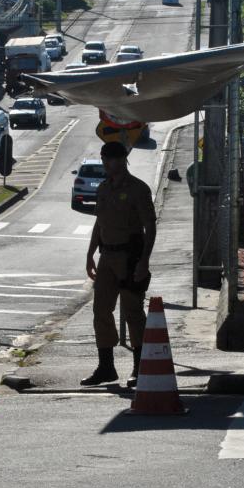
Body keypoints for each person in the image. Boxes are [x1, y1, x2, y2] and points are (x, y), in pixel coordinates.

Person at [82, 141, 157, 387]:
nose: (106, 163)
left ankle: (139, 367)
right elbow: (99, 223)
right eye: (104, 158)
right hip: (107, 257)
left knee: (133, 312)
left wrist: (144, 261)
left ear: (123, 160)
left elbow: (150, 227)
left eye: (111, 159)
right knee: (101, 310)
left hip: (129, 257)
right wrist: (90, 254)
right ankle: (106, 367)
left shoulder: (138, 189)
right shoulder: (104, 188)